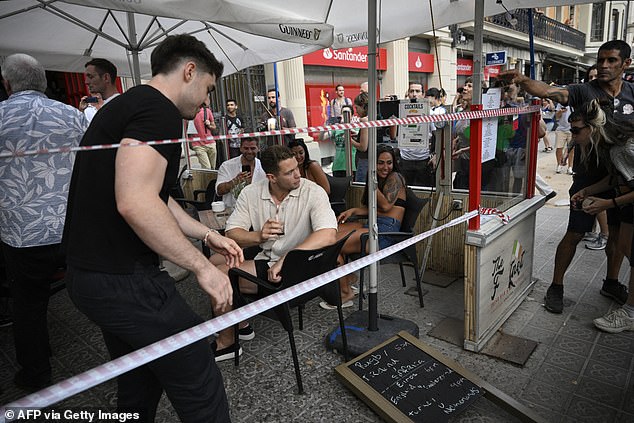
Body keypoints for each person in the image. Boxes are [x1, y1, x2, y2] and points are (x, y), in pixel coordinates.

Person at [63, 35, 244, 422]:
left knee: (140, 378)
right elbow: (135, 202)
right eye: (208, 89)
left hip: (90, 275)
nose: (207, 102)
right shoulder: (157, 110)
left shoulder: (126, 106)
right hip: (123, 279)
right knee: (197, 370)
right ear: (189, 71)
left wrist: (207, 235)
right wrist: (202, 267)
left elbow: (155, 196)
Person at [500, 39, 633, 313]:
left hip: (623, 178)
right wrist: (524, 80)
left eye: (612, 61)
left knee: (619, 237)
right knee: (575, 232)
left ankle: (611, 282)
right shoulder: (585, 90)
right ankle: (556, 286)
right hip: (589, 176)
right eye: (601, 60)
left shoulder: (633, 94)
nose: (605, 66)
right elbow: (551, 91)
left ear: (626, 64)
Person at [0, 54, 88, 390]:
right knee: (100, 287)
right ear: (41, 80)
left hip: (23, 233)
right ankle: (127, 356)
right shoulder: (72, 115)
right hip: (72, 225)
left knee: (28, 304)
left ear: (7, 84)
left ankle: (36, 373)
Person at [212, 145, 337, 359]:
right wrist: (259, 236)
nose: (298, 174)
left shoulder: (312, 191)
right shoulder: (252, 192)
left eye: (297, 168)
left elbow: (328, 235)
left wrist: (289, 258)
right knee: (214, 259)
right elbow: (232, 232)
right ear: (271, 177)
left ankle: (227, 343)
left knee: (217, 275)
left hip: (297, 271)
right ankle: (240, 323)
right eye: (289, 172)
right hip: (268, 259)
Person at [569, 100, 634, 332]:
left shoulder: (625, 146)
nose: (573, 136)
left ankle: (630, 314)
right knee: (627, 249)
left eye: (577, 130)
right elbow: (616, 178)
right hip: (626, 202)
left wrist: (608, 203)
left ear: (593, 128)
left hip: (627, 201)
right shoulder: (609, 148)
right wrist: (587, 191)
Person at [329, 144, 407, 309]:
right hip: (374, 225)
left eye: (389, 162)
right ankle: (348, 279)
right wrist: (354, 210)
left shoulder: (395, 177)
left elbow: (385, 207)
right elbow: (377, 210)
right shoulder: (381, 179)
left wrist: (372, 180)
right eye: (380, 163)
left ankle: (345, 293)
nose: (385, 167)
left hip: (386, 233)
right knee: (331, 232)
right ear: (373, 163)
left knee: (331, 244)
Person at [397, 83, 439, 187]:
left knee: (423, 193)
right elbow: (394, 136)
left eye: (417, 91)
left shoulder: (430, 113)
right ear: (408, 93)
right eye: (411, 91)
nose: (414, 94)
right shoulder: (401, 112)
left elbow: (437, 135)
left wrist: (436, 155)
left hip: (423, 161)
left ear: (423, 94)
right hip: (405, 160)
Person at [215, 137, 266, 208]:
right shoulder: (227, 166)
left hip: (258, 209)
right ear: (240, 148)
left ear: (258, 149)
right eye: (246, 148)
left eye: (253, 148)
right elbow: (219, 191)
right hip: (233, 210)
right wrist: (235, 181)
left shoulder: (264, 167)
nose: (249, 151)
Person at [191, 98, 217, 169]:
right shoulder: (190, 112)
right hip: (198, 145)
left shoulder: (207, 111)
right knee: (207, 168)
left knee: (213, 167)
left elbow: (214, 126)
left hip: (211, 143)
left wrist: (209, 124)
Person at [352, 91, 370, 182]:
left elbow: (363, 147)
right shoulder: (373, 118)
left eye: (357, 108)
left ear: (363, 106)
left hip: (364, 162)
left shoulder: (364, 120)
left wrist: (349, 140)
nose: (356, 111)